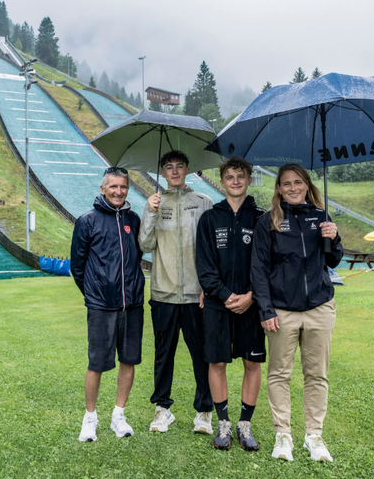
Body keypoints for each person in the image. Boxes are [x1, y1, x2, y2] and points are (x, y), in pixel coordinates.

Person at [250, 163, 343, 462]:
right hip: (281, 310)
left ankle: (314, 436)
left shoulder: (320, 216)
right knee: (279, 374)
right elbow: (259, 270)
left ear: (307, 185)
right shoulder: (268, 222)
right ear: (278, 188)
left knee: (317, 375)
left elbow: (333, 261)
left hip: (320, 307)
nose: (292, 188)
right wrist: (265, 309)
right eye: (286, 183)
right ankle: (283, 435)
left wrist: (334, 236)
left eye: (298, 182)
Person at [139, 151, 215, 435]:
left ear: (187, 170)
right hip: (163, 294)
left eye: (179, 166)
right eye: (169, 167)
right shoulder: (155, 203)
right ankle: (162, 409)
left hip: (197, 295)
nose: (174, 171)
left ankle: (204, 412)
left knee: (202, 355)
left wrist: (208, 286)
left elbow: (210, 249)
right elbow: (145, 245)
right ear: (162, 172)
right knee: (163, 355)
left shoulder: (203, 202)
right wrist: (150, 212)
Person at [196, 156, 266, 452]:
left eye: (241, 176)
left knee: (252, 362)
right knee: (217, 362)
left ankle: (244, 424)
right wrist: (225, 295)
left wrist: (251, 296)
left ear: (249, 180)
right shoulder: (209, 219)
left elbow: (267, 265)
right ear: (222, 181)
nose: (235, 181)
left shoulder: (262, 218)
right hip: (217, 304)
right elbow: (205, 267)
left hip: (252, 303)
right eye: (230, 177)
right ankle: (224, 423)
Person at [71, 167, 146, 442]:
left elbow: (138, 256)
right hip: (102, 305)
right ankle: (90, 418)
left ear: (128, 190)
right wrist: (95, 292)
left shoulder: (134, 219)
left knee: (129, 360)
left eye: (123, 187)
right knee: (97, 363)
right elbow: (77, 267)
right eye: (113, 186)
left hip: (132, 305)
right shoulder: (87, 220)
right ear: (103, 189)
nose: (118, 191)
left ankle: (118, 416)